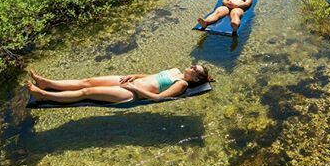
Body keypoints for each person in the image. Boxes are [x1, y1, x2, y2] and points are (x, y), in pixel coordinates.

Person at [27, 64, 213, 104]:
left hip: (132, 93)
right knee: (88, 81)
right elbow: (150, 75)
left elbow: (158, 98)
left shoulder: (182, 84)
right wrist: (133, 76)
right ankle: (47, 83)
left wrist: (134, 88)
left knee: (87, 91)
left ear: (195, 78)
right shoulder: (175, 71)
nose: (191, 66)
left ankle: (44, 95)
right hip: (131, 82)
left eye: (194, 69)